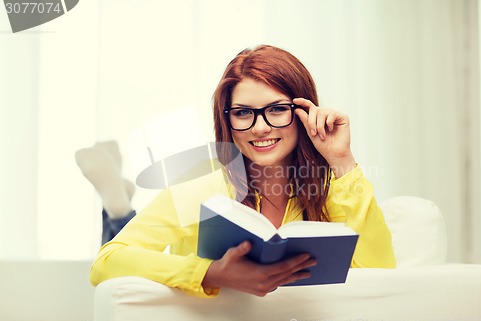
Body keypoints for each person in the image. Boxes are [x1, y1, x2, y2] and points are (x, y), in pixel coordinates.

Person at [87, 45, 396, 298]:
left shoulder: (331, 189)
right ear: (227, 119)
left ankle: (117, 202)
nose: (260, 128)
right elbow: (106, 262)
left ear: (304, 113)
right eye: (243, 113)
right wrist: (210, 273)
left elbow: (381, 276)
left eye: (277, 109)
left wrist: (342, 158)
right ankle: (116, 205)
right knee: (121, 224)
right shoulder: (204, 184)